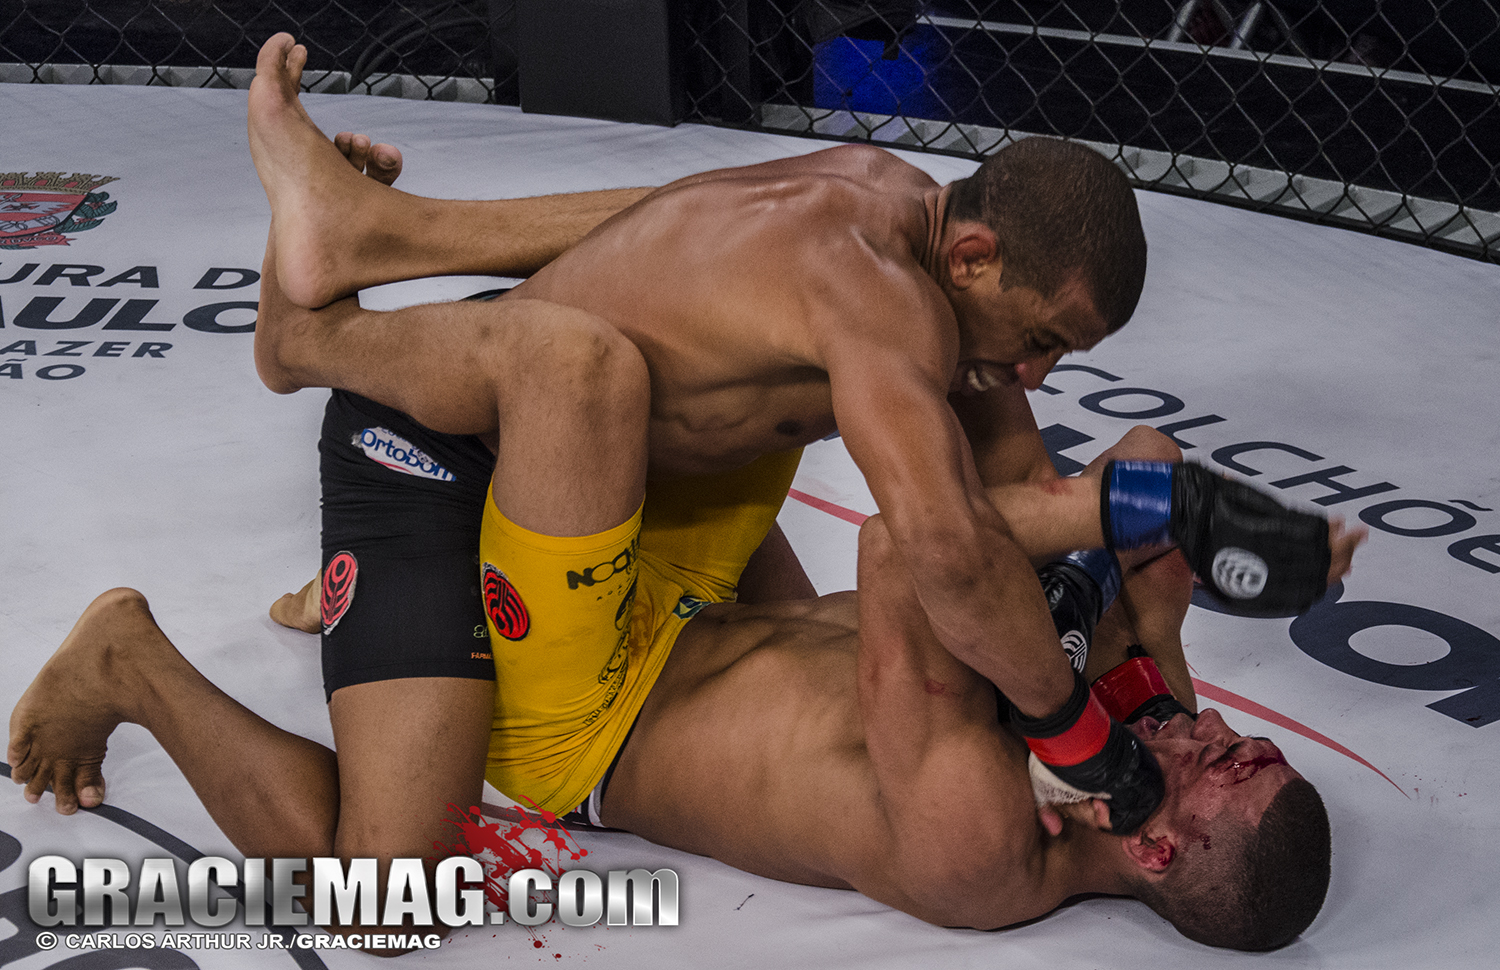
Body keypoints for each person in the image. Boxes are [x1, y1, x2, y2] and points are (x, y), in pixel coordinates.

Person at [239, 32, 1356, 858]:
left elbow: (1028, 495)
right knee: (394, 881)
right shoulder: (890, 302)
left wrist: (1168, 535)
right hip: (471, 441)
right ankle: (307, 343)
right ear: (974, 257)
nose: (1038, 376)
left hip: (607, 483)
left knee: (719, 252)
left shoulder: (915, 236)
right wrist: (1077, 738)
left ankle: (390, 234)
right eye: (1040, 340)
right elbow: (942, 549)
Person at [6, 420, 1331, 952]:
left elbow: (897, 549)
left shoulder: (984, 844)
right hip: (705, 601)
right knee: (811, 356)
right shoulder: (1144, 721)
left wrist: (1063, 633)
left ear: (1156, 849)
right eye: (1249, 741)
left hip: (590, 712)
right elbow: (1150, 455)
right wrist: (1123, 607)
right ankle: (391, 576)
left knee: (376, 904)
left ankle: (133, 659)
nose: (1219, 725)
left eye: (1226, 766)